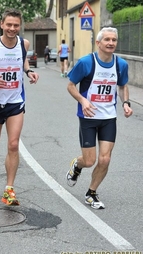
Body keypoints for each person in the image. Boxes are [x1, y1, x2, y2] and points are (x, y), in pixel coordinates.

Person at [0, 8, 39, 206]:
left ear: (20, 26)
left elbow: (23, 60)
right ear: (1, 24)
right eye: (9, 25)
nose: (12, 28)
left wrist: (29, 72)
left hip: (15, 101)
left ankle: (9, 189)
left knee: (13, 144)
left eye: (16, 25)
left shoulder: (24, 43)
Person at [66, 27, 133, 210]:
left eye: (114, 40)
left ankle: (91, 193)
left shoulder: (121, 65)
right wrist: (82, 100)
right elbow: (71, 85)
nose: (111, 43)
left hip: (109, 117)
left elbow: (122, 86)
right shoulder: (86, 63)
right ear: (98, 43)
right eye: (107, 40)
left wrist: (125, 102)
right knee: (89, 161)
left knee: (105, 159)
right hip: (88, 116)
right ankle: (77, 165)